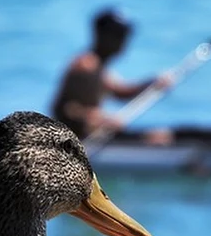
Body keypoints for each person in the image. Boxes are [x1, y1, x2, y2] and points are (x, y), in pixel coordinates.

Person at [50, 8, 172, 143]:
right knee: (158, 138)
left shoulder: (99, 67)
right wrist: (100, 118)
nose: (123, 42)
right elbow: (63, 109)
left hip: (96, 137)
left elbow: (121, 92)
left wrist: (152, 84)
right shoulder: (85, 66)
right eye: (119, 36)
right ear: (102, 35)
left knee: (161, 135)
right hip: (78, 141)